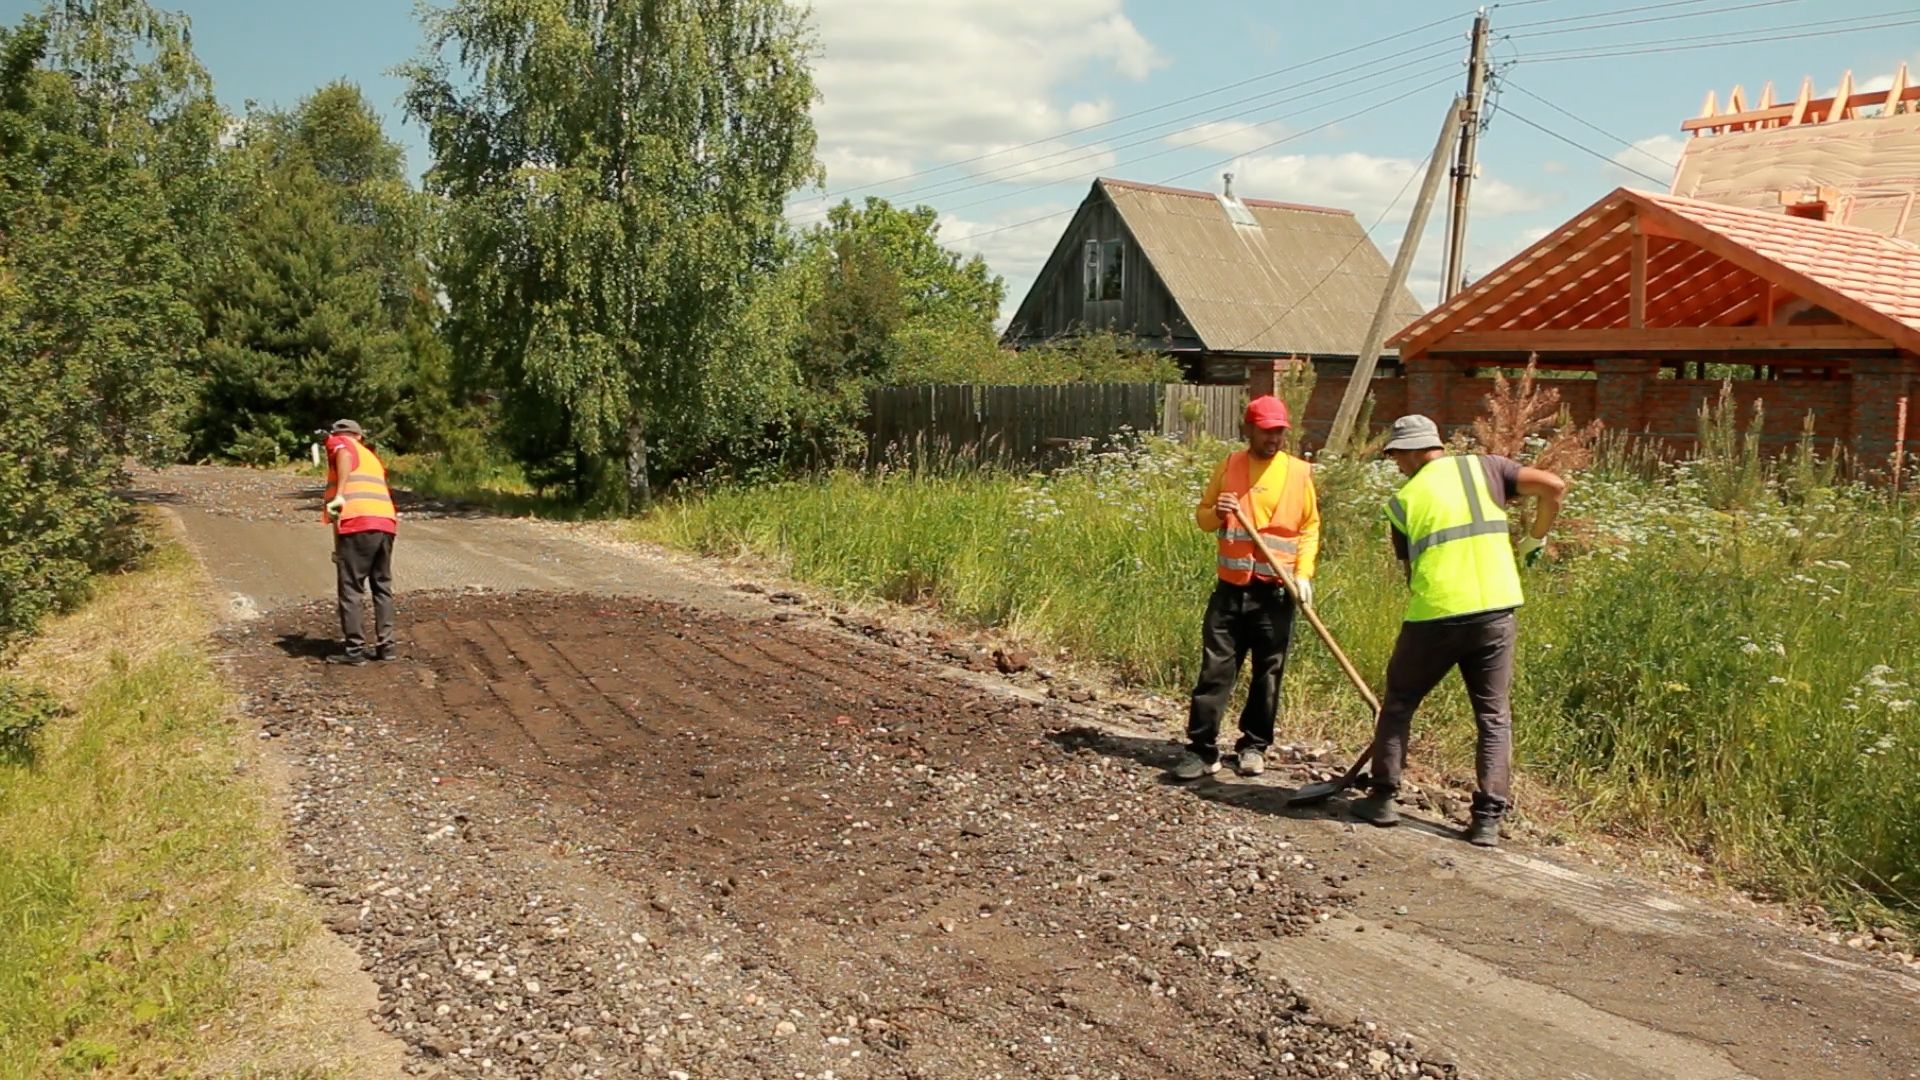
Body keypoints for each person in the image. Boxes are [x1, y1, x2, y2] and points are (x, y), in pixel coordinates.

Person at [1351, 414, 1567, 847]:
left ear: (1413, 452)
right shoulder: (1488, 468)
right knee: (1493, 716)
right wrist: (1536, 539)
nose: (1396, 465)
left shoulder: (1403, 500)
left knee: (1399, 703)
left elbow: (1411, 571)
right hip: (1495, 610)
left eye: (1396, 456)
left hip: (1436, 614)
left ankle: (1382, 799)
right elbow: (1554, 486)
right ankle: (1487, 820)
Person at [1173, 394, 1321, 781]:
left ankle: (1254, 747)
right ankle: (1202, 750)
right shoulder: (1229, 466)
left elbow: (1309, 527)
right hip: (1230, 590)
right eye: (1267, 431)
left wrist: (1303, 574)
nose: (1274, 439)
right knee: (1215, 670)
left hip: (1276, 592)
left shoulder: (1300, 473)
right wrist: (1216, 512)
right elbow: (1203, 519)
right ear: (1249, 429)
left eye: (1279, 432)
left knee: (1268, 672)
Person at [320, 419, 398, 665]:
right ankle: (386, 647)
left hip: (358, 523)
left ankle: (354, 650)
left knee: (351, 587)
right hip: (385, 523)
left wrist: (340, 495)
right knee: (381, 586)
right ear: (360, 436)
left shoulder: (340, 443)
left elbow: (342, 453)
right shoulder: (370, 456)